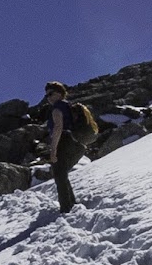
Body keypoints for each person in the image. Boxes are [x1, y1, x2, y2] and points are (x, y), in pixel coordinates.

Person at [38, 81, 103, 212]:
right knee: (62, 174)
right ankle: (71, 204)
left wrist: (53, 149)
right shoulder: (70, 106)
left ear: (60, 93)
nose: (49, 98)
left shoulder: (57, 108)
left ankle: (66, 208)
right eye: (47, 96)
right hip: (78, 144)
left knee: (59, 174)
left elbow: (58, 127)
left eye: (51, 94)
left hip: (64, 142)